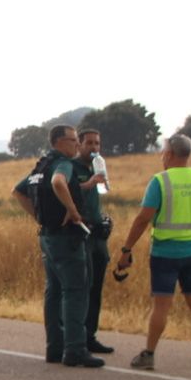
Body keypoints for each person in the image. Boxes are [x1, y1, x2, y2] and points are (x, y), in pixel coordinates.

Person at [115, 134, 191, 371]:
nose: (162, 155)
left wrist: (127, 248)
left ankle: (149, 353)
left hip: (166, 251)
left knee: (162, 304)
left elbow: (144, 217)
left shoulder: (161, 181)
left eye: (163, 151)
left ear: (171, 154)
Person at [13, 125, 104, 368]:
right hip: (67, 238)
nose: (77, 145)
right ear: (60, 142)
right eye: (74, 140)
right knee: (75, 291)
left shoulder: (40, 166)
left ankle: (54, 347)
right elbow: (59, 182)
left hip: (48, 236)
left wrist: (39, 217)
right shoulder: (63, 164)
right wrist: (73, 211)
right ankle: (75, 349)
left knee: (53, 292)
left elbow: (19, 191)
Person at [75, 128, 115, 354]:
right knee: (82, 286)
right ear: (79, 144)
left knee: (96, 287)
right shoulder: (72, 167)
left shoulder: (98, 165)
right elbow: (68, 191)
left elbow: (102, 193)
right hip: (82, 234)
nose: (94, 148)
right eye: (89, 143)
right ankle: (75, 336)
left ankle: (90, 335)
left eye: (97, 144)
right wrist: (89, 183)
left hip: (98, 235)